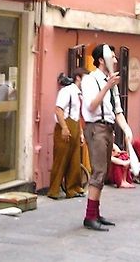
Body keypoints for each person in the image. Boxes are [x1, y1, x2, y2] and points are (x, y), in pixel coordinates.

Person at [81, 44, 133, 231]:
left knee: (103, 173)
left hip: (108, 128)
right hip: (96, 127)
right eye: (112, 57)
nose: (116, 60)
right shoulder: (90, 80)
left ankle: (96, 213)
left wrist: (126, 129)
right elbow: (91, 106)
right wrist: (107, 87)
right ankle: (89, 216)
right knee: (98, 172)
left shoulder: (111, 81)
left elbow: (117, 109)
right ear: (101, 60)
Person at [47, 68, 88, 200]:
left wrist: (80, 133)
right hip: (65, 124)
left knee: (75, 160)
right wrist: (64, 128)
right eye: (85, 78)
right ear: (78, 78)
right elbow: (58, 110)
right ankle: (54, 190)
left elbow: (77, 115)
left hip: (75, 125)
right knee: (61, 158)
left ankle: (73, 188)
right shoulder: (67, 91)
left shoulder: (79, 94)